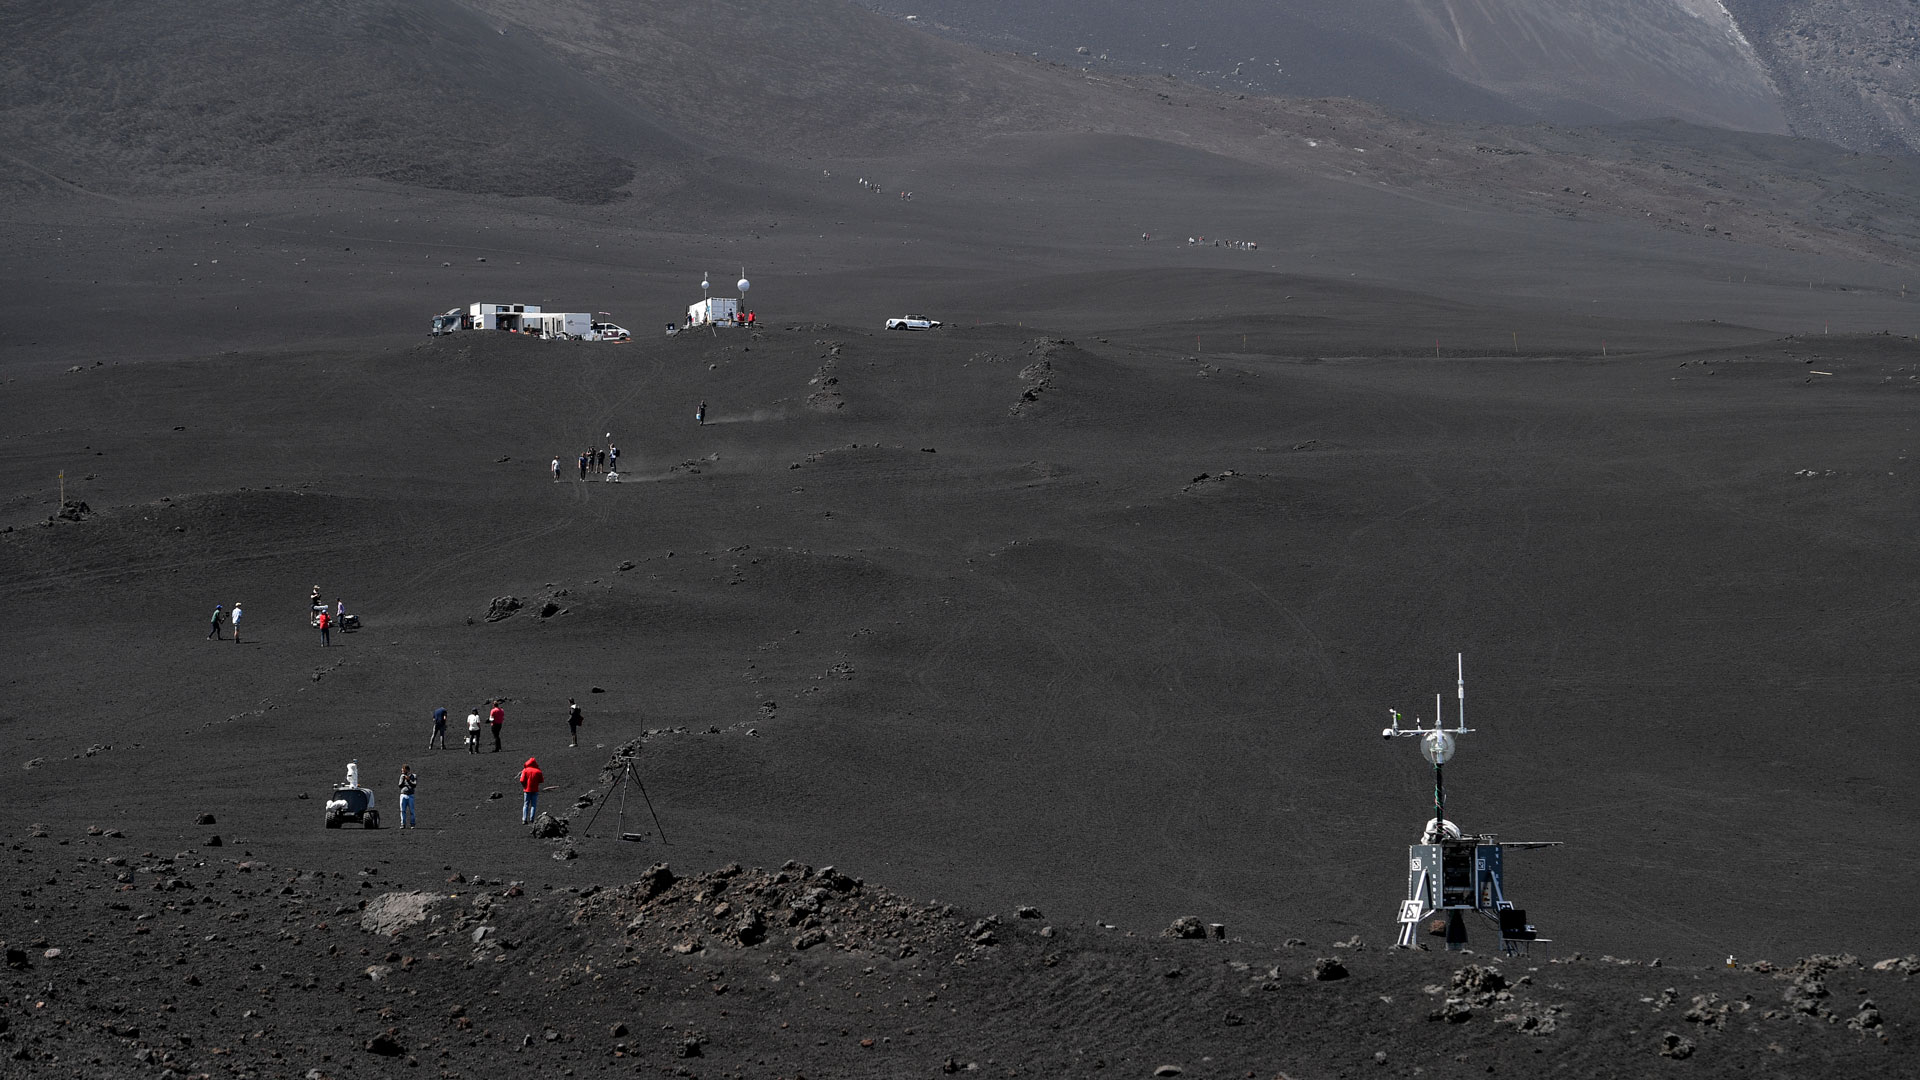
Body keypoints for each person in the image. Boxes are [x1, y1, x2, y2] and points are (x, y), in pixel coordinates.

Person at [518, 757, 543, 824]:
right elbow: (541, 780)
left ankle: (524, 819)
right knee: (533, 805)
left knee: (526, 804)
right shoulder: (538, 771)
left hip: (527, 790)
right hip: (535, 790)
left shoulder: (525, 770)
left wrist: (524, 785)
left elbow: (522, 780)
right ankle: (532, 819)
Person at [397, 765, 418, 829]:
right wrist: (403, 780)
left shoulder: (413, 776)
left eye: (403, 769)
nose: (402, 770)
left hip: (410, 795)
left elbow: (414, 785)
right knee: (402, 810)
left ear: (407, 770)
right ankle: (403, 824)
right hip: (403, 794)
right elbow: (400, 786)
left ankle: (412, 824)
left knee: (412, 810)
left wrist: (408, 780)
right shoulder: (402, 776)